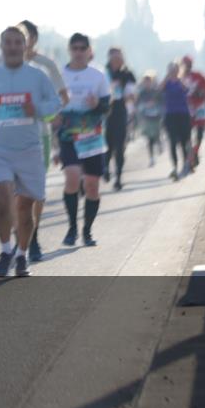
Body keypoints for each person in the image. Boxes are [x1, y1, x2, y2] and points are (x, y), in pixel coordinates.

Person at [0, 26, 60, 277]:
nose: (12, 47)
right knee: (2, 198)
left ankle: (22, 255)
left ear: (25, 46)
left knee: (25, 208)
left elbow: (55, 103)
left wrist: (39, 110)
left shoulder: (38, 75)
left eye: (17, 42)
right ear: (1, 47)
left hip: (30, 150)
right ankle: (5, 251)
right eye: (7, 42)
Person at [16, 20, 68, 262]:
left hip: (39, 135)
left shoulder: (45, 65)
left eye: (24, 37)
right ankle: (21, 237)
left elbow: (63, 98)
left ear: (33, 39)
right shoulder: (0, 66)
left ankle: (33, 235)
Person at [54, 33, 110, 247]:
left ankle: (87, 230)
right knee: (72, 177)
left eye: (82, 48)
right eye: (74, 48)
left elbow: (107, 106)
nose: (78, 52)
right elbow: (50, 104)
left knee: (92, 185)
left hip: (92, 137)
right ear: (69, 50)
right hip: (68, 136)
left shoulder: (98, 76)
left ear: (89, 51)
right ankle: (72, 228)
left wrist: (97, 104)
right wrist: (54, 117)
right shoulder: (59, 75)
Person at [104, 47, 136, 191]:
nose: (116, 60)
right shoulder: (103, 73)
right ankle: (104, 169)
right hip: (104, 114)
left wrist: (122, 95)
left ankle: (118, 178)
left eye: (118, 57)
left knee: (120, 147)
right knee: (107, 147)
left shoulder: (127, 74)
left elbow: (132, 97)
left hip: (121, 113)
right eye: (113, 57)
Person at [180, 55, 205, 170]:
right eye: (185, 64)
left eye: (189, 64)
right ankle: (190, 159)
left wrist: (201, 93)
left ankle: (195, 152)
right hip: (186, 109)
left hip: (199, 108)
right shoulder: (180, 78)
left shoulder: (198, 76)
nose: (187, 66)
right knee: (187, 135)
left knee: (200, 133)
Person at [162, 61, 192, 181]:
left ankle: (186, 164)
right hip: (170, 116)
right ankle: (174, 167)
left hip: (183, 115)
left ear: (178, 70)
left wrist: (179, 79)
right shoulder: (167, 82)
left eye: (175, 70)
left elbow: (187, 89)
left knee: (184, 142)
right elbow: (160, 89)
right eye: (171, 70)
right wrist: (167, 77)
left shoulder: (182, 81)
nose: (173, 72)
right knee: (172, 142)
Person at [136, 72, 163, 167]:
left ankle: (159, 143)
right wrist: (144, 106)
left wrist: (155, 104)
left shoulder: (156, 91)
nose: (147, 83)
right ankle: (151, 158)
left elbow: (162, 102)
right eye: (145, 82)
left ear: (151, 82)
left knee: (157, 135)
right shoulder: (141, 93)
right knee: (149, 139)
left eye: (149, 81)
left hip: (156, 117)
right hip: (147, 118)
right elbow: (137, 105)